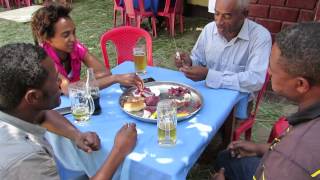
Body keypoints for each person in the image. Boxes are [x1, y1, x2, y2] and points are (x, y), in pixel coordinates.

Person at [0, 43, 137, 179]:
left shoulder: (17, 111)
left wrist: (76, 134)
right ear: (34, 96)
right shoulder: (26, 160)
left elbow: (43, 115)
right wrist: (119, 151)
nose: (62, 83)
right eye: (55, 80)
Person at [212, 22, 320, 180]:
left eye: (272, 68)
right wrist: (262, 148)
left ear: (301, 85)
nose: (268, 72)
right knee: (225, 158)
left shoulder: (290, 162)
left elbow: (293, 161)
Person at [175, 0, 271, 120]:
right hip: (206, 93)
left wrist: (209, 75)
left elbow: (255, 80)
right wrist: (190, 62)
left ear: (244, 14)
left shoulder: (260, 37)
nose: (219, 22)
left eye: (227, 16)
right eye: (216, 13)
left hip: (236, 104)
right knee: (177, 115)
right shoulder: (209, 30)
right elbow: (199, 59)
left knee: (215, 135)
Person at [31, 3, 143, 95]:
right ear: (48, 39)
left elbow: (104, 72)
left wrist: (78, 84)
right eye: (66, 35)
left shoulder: (75, 47)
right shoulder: (44, 58)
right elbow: (68, 90)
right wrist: (115, 78)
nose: (73, 39)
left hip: (78, 101)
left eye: (73, 32)